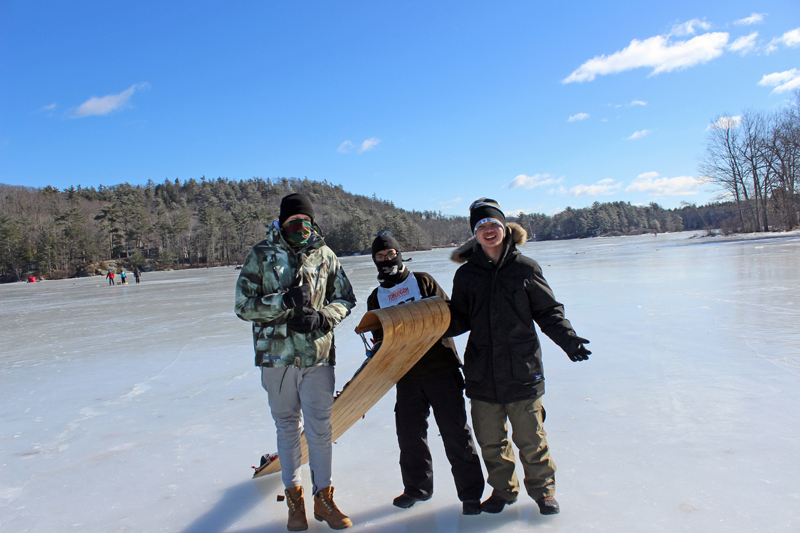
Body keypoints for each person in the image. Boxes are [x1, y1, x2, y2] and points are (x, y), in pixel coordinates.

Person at [446, 198, 591, 516]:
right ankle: (502, 491)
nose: (488, 230)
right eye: (482, 226)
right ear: (475, 233)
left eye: (494, 225)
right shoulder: (466, 275)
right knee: (490, 441)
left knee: (531, 438)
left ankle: (543, 492)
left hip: (522, 370)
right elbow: (458, 319)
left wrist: (568, 340)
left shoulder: (525, 268)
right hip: (483, 372)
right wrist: (428, 322)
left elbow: (548, 310)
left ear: (504, 229)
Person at [234, 193, 357, 531]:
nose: (300, 226)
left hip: (318, 357)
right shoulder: (261, 254)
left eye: (305, 221)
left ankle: (324, 499)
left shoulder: (326, 255)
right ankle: (295, 500)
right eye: (293, 221)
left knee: (320, 430)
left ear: (313, 222)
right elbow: (243, 306)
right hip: (277, 359)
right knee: (287, 427)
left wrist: (323, 318)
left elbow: (346, 298)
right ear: (282, 221)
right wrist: (283, 300)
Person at [366, 232, 485, 515]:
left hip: (441, 369)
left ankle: (470, 495)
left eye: (391, 254)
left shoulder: (422, 281)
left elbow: (449, 315)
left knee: (456, 433)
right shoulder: (375, 297)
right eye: (380, 257)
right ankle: (417, 489)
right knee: (409, 435)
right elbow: (379, 339)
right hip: (405, 375)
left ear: (399, 253)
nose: (386, 259)